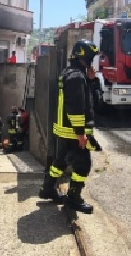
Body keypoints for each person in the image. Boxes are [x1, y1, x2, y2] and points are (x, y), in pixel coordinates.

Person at [39, 39, 100, 214]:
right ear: (84, 57)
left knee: (60, 161)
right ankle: (74, 198)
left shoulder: (69, 73)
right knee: (82, 165)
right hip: (74, 131)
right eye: (90, 57)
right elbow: (76, 107)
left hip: (65, 130)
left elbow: (82, 97)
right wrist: (81, 133)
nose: (91, 61)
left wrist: (90, 80)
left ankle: (47, 189)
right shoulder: (76, 76)